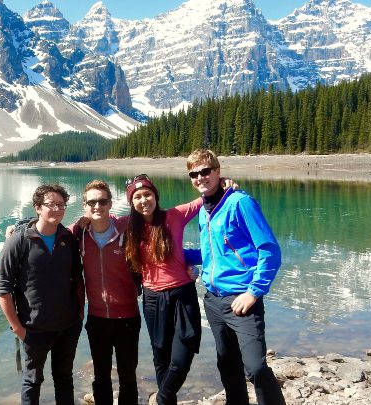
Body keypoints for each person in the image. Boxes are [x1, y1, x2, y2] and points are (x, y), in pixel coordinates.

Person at [186, 149, 285, 405]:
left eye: (205, 171)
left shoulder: (240, 202)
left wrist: (253, 292)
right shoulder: (204, 210)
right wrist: (178, 257)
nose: (200, 177)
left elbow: (269, 250)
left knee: (255, 367)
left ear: (218, 172)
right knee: (227, 366)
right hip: (213, 300)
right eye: (194, 174)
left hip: (242, 299)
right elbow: (212, 253)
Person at [0, 184, 84, 405]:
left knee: (64, 378)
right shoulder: (19, 240)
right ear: (37, 207)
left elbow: (77, 279)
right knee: (32, 381)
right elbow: (3, 287)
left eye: (61, 205)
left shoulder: (67, 238)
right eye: (50, 204)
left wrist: (79, 317)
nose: (56, 209)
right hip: (34, 329)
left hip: (67, 326)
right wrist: (17, 328)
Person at [124, 174, 203, 405]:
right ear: (131, 202)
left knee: (184, 352)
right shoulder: (128, 227)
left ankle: (162, 398)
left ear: (155, 196)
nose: (143, 200)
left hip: (183, 293)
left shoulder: (174, 216)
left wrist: (225, 183)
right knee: (161, 355)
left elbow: (205, 198)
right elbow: (97, 221)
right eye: (137, 197)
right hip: (152, 298)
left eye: (147, 194)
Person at [69, 180, 141, 405]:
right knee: (100, 377)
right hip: (97, 318)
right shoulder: (79, 234)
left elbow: (163, 220)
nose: (97, 206)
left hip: (128, 317)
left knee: (128, 376)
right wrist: (20, 227)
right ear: (84, 205)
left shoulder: (126, 227)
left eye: (102, 201)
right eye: (91, 202)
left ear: (110, 203)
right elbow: (48, 230)